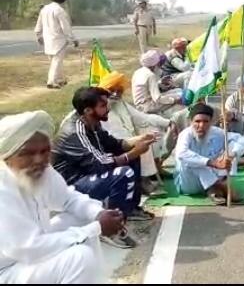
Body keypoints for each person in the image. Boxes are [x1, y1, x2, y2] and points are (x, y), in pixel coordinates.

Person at [0, 111, 126, 283]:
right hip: (7, 271)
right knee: (79, 258)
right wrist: (96, 228)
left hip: (28, 258)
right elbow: (27, 248)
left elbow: (68, 199)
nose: (39, 159)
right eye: (27, 153)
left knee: (83, 217)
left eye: (45, 151)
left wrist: (99, 214)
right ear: (8, 156)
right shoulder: (3, 189)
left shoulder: (41, 171)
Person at [53, 87, 157, 249]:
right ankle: (109, 228)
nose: (108, 108)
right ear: (88, 110)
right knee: (124, 172)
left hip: (88, 173)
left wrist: (138, 141)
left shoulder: (93, 123)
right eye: (102, 106)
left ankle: (130, 210)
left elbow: (115, 145)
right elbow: (100, 164)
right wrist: (135, 152)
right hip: (71, 186)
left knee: (130, 156)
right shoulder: (75, 132)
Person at [98, 71, 172, 196]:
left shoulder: (122, 104)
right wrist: (137, 139)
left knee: (151, 131)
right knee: (142, 141)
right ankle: (144, 181)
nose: (115, 94)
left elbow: (142, 117)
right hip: (113, 145)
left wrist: (168, 122)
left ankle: (155, 169)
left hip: (127, 139)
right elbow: (111, 137)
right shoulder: (100, 108)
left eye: (119, 91)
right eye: (111, 90)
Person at [174, 104, 244, 206]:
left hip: (211, 176)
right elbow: (181, 154)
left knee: (231, 147)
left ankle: (214, 189)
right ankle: (222, 187)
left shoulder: (217, 132)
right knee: (194, 162)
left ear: (211, 122)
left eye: (205, 122)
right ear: (191, 121)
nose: (201, 125)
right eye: (197, 121)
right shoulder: (185, 134)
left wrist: (230, 155)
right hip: (189, 184)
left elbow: (242, 140)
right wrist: (212, 163)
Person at [34, 0, 79, 89]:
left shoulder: (44, 9)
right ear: (63, 0)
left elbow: (39, 24)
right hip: (58, 40)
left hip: (47, 39)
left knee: (55, 62)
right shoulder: (59, 10)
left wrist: (38, 35)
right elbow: (66, 28)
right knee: (57, 61)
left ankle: (60, 80)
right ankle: (51, 81)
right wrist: (74, 39)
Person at [132, 49, 184, 117]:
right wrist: (174, 100)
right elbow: (157, 98)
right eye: (159, 64)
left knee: (178, 91)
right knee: (180, 95)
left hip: (141, 103)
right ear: (154, 65)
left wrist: (160, 83)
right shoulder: (150, 75)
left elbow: (146, 88)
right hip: (147, 106)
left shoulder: (138, 72)